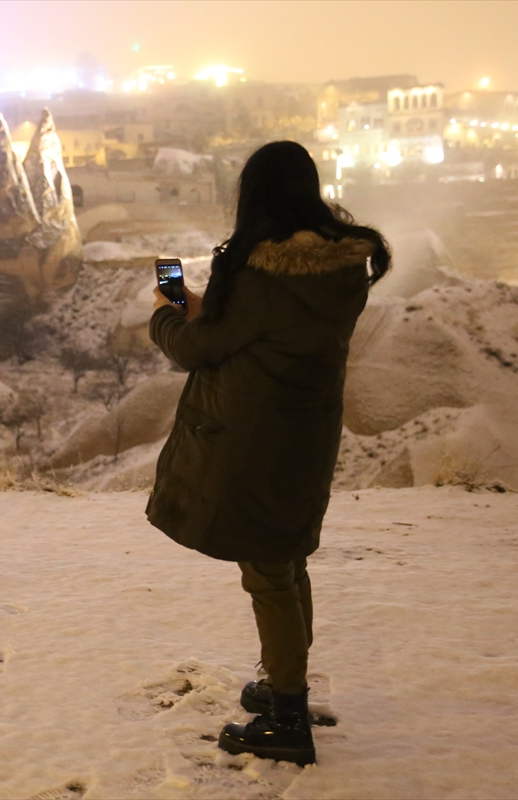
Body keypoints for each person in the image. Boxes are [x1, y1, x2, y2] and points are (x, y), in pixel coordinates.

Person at [146, 141, 390, 766]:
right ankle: (289, 690)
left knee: (267, 573)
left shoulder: (260, 274)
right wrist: (208, 314)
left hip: (252, 440)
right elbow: (263, 332)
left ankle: (286, 717)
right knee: (288, 559)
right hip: (305, 434)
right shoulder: (340, 267)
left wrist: (166, 319)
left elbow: (201, 350)